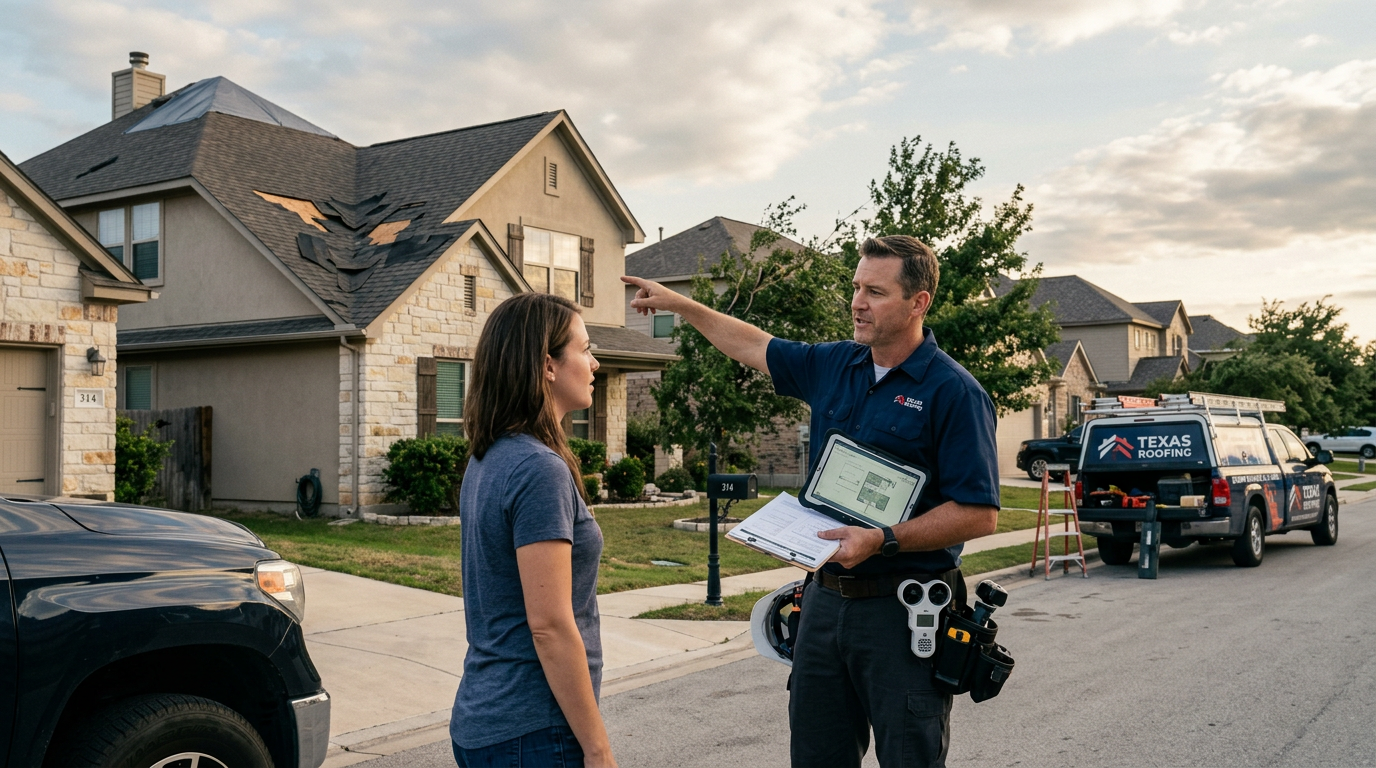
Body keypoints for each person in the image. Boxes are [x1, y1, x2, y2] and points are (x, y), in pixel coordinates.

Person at [623, 235, 999, 767]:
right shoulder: (835, 365)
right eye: (855, 288)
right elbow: (754, 345)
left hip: (902, 610)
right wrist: (681, 304)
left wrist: (882, 540)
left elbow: (979, 513)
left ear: (919, 302)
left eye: (875, 291)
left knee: (909, 757)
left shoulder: (954, 393)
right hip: (823, 602)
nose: (857, 303)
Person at [450, 292, 616, 768]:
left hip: (486, 720)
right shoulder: (537, 469)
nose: (595, 363)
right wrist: (597, 746)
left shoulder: (488, 458)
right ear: (548, 365)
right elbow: (549, 625)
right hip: (534, 730)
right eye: (584, 350)